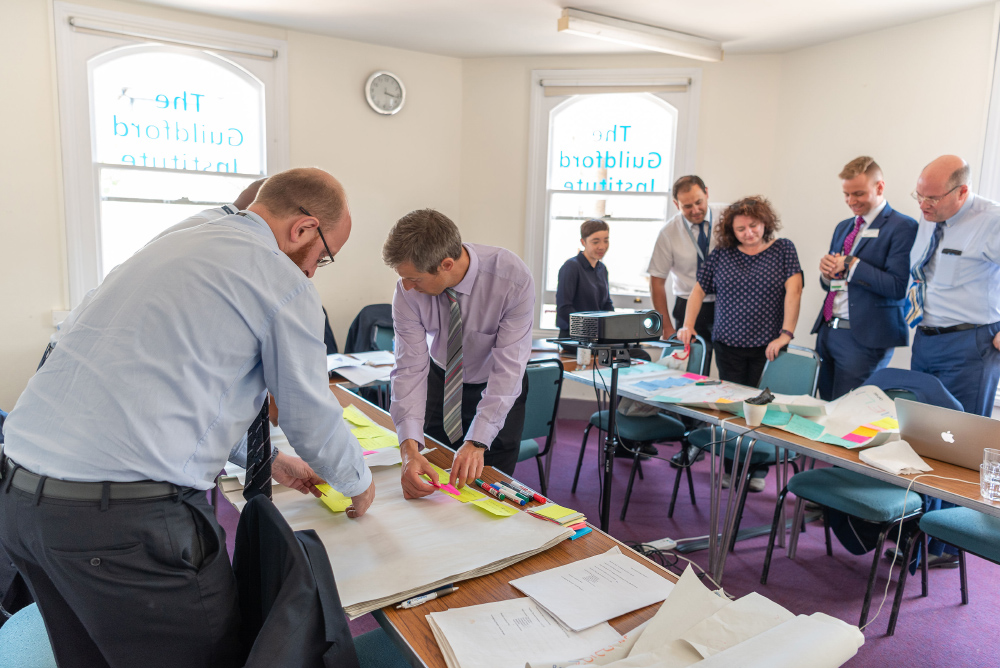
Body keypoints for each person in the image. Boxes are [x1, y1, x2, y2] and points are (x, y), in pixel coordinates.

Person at [0, 167, 375, 667]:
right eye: (323, 257)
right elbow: (311, 413)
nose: (313, 271)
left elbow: (178, 386)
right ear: (304, 229)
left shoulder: (183, 238)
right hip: (119, 526)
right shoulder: (279, 278)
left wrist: (274, 461)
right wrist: (359, 481)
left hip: (23, 504)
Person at [383, 209, 533, 495]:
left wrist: (477, 441)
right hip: (442, 382)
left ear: (446, 264)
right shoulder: (406, 291)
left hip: (496, 387)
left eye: (414, 279)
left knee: (489, 490)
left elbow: (509, 368)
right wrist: (408, 450)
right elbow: (409, 368)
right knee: (437, 481)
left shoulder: (511, 279)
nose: (406, 286)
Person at [677, 196, 803, 492]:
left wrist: (786, 334)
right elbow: (697, 292)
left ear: (765, 223)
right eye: (741, 228)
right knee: (733, 409)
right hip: (728, 343)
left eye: (754, 225)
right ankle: (732, 467)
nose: (749, 233)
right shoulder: (722, 254)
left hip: (768, 347)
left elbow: (794, 291)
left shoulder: (783, 249)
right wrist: (688, 325)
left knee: (762, 408)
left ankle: (756, 468)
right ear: (731, 231)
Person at [811, 157, 918, 400]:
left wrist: (853, 264)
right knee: (826, 407)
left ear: (880, 187)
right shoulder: (844, 227)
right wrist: (827, 273)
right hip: (829, 331)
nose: (851, 201)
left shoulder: (903, 227)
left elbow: (899, 287)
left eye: (858, 193)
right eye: (846, 195)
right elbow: (832, 284)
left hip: (865, 338)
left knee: (847, 412)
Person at [906, 155, 1000, 416]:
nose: (923, 205)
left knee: (960, 436)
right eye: (919, 195)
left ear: (962, 192)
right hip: (925, 338)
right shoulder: (930, 216)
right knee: (918, 428)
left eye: (933, 198)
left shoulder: (992, 221)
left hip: (969, 345)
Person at [648, 175, 728, 365]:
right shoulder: (669, 232)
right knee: (692, 368)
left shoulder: (728, 217)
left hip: (727, 303)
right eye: (687, 206)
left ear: (707, 193)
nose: (695, 210)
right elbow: (657, 282)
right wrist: (666, 329)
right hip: (688, 305)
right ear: (677, 205)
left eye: (699, 202)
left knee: (730, 367)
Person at [555, 218, 613, 339]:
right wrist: (592, 329)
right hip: (575, 337)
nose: (602, 247)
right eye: (595, 242)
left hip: (597, 336)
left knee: (638, 353)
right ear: (583, 242)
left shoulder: (602, 268)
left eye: (606, 241)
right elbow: (564, 309)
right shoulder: (571, 267)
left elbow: (607, 304)